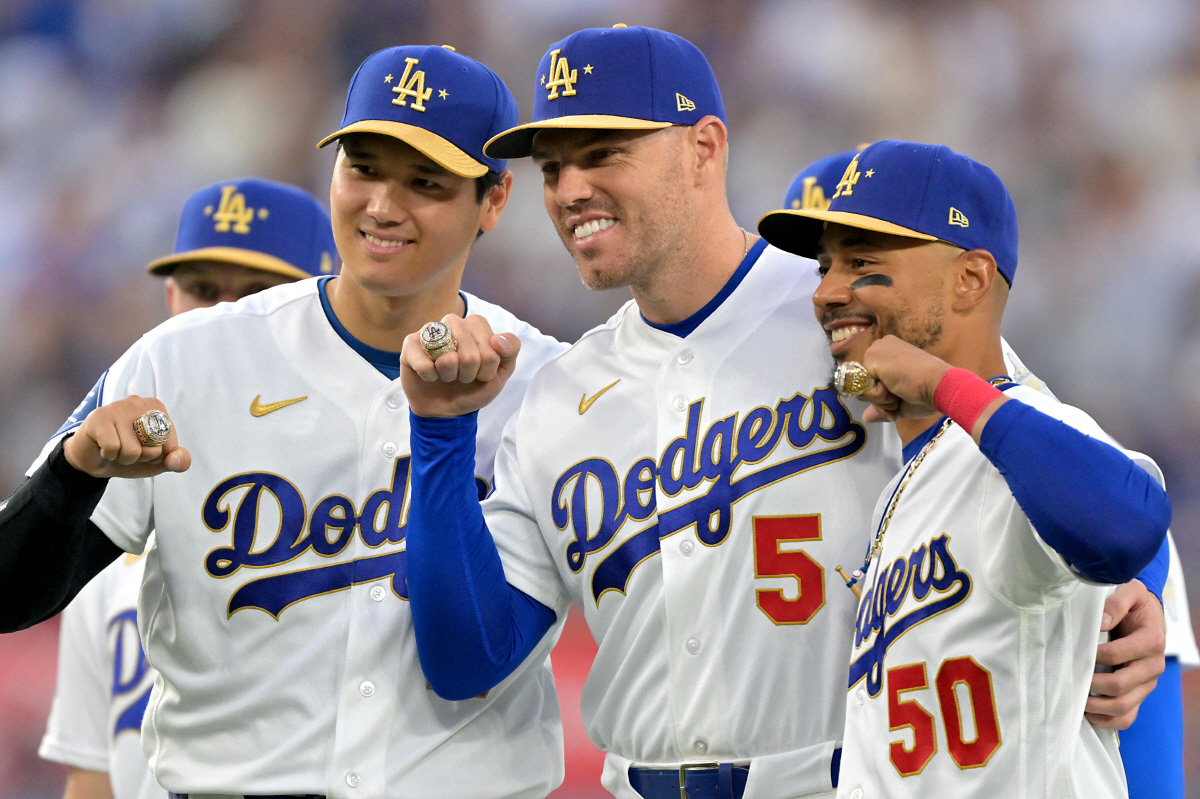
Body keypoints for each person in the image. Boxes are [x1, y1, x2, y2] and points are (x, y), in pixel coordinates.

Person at [394, 25, 1168, 799]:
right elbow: (469, 659)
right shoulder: (562, 395)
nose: (568, 191)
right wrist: (438, 431)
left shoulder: (850, 311)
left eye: (604, 153)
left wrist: (1138, 600)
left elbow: (1055, 455)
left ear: (704, 146)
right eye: (552, 168)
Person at [1, 44, 569, 798]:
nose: (382, 206)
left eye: (425, 182)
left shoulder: (548, 383)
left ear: (494, 199)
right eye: (362, 167)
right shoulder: (185, 359)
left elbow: (475, 659)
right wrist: (70, 480)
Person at [757, 138, 1170, 798]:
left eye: (862, 262)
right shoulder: (906, 480)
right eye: (825, 267)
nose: (827, 292)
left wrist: (944, 383)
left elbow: (1129, 521)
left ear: (971, 278)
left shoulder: (1022, 429)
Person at [36, 178, 336, 799]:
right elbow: (91, 778)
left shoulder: (354, 523)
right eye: (203, 291)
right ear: (170, 297)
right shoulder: (101, 541)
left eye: (259, 293)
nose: (223, 315)